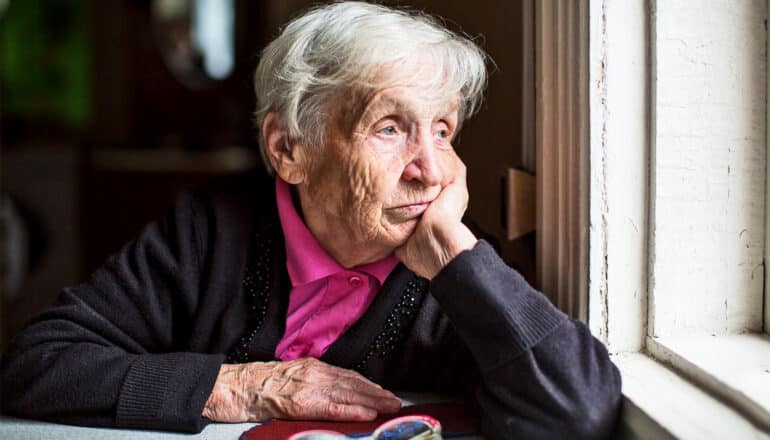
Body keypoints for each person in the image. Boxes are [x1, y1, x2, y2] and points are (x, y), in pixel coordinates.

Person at [0, 2, 621, 438]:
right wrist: (242, 386)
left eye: (443, 130)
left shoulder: (455, 265)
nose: (430, 171)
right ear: (289, 149)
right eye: (389, 129)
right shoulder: (209, 232)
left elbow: (577, 410)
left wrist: (460, 258)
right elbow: (37, 366)